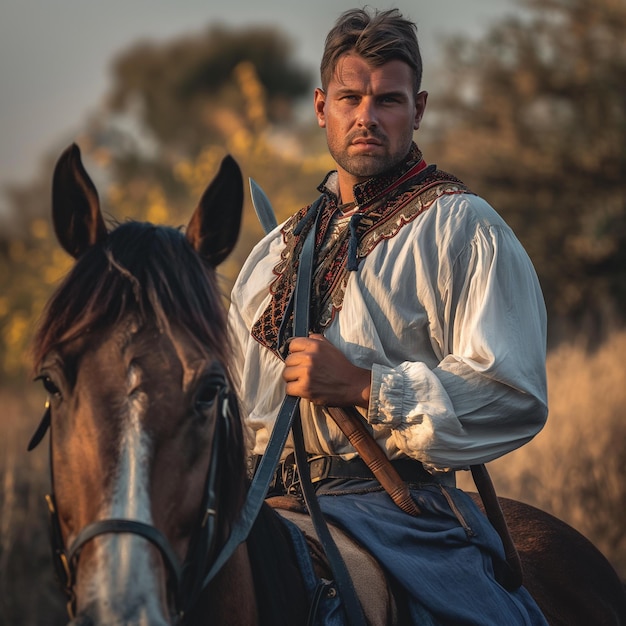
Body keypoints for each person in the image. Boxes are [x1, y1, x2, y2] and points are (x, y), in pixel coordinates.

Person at [228, 7, 549, 625]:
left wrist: (365, 388)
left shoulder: (461, 227)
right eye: (350, 98)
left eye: (389, 100)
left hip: (402, 514)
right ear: (322, 106)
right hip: (269, 510)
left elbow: (513, 393)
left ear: (418, 109)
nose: (366, 117)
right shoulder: (272, 255)